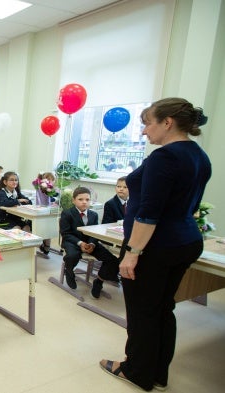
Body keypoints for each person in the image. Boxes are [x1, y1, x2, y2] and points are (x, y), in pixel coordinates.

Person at [100, 98, 211, 391]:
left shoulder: (165, 157)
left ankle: (136, 370)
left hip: (155, 246)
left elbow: (149, 213)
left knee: (143, 312)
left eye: (148, 123)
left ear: (167, 122)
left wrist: (132, 253)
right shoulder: (199, 155)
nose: (145, 132)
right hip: (185, 239)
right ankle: (158, 373)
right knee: (163, 309)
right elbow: (191, 205)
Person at [60, 186, 120, 297]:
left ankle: (99, 281)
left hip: (90, 242)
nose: (84, 202)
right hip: (73, 242)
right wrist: (80, 243)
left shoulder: (94, 214)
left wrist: (92, 243)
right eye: (80, 199)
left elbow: (95, 232)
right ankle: (69, 271)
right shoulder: (67, 213)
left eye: (87, 200)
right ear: (74, 200)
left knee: (112, 260)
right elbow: (66, 233)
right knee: (72, 255)